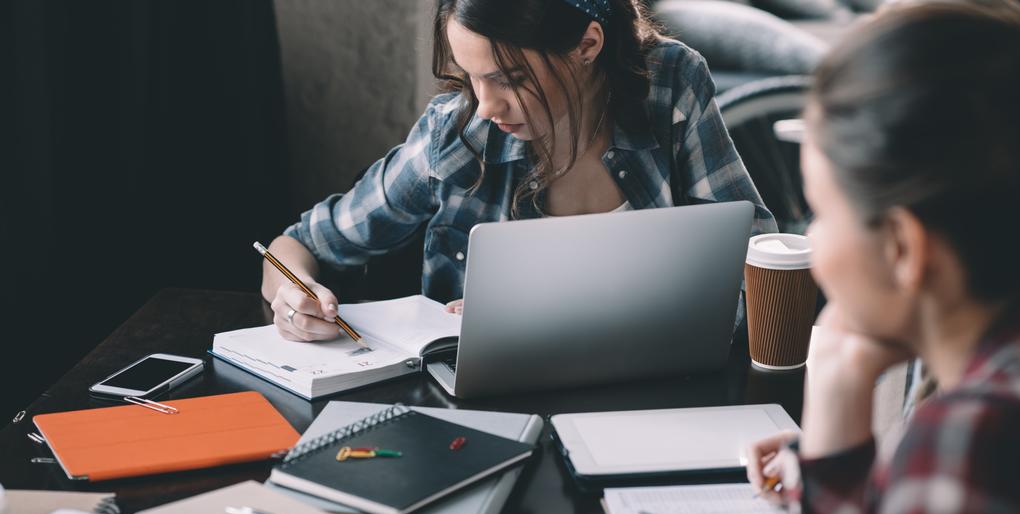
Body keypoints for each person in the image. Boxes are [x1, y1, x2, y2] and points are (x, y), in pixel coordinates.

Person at [745, 2, 1020, 514]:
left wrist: (836, 401)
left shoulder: (974, 439)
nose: (811, 239)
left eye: (820, 207)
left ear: (903, 246)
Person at [260, 0, 775, 341]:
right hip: (487, 415)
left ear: (588, 45)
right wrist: (292, 296)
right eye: (471, 78)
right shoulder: (458, 133)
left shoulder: (670, 84)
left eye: (508, 79)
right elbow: (296, 245)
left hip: (664, 403)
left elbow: (760, 265)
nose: (485, 106)